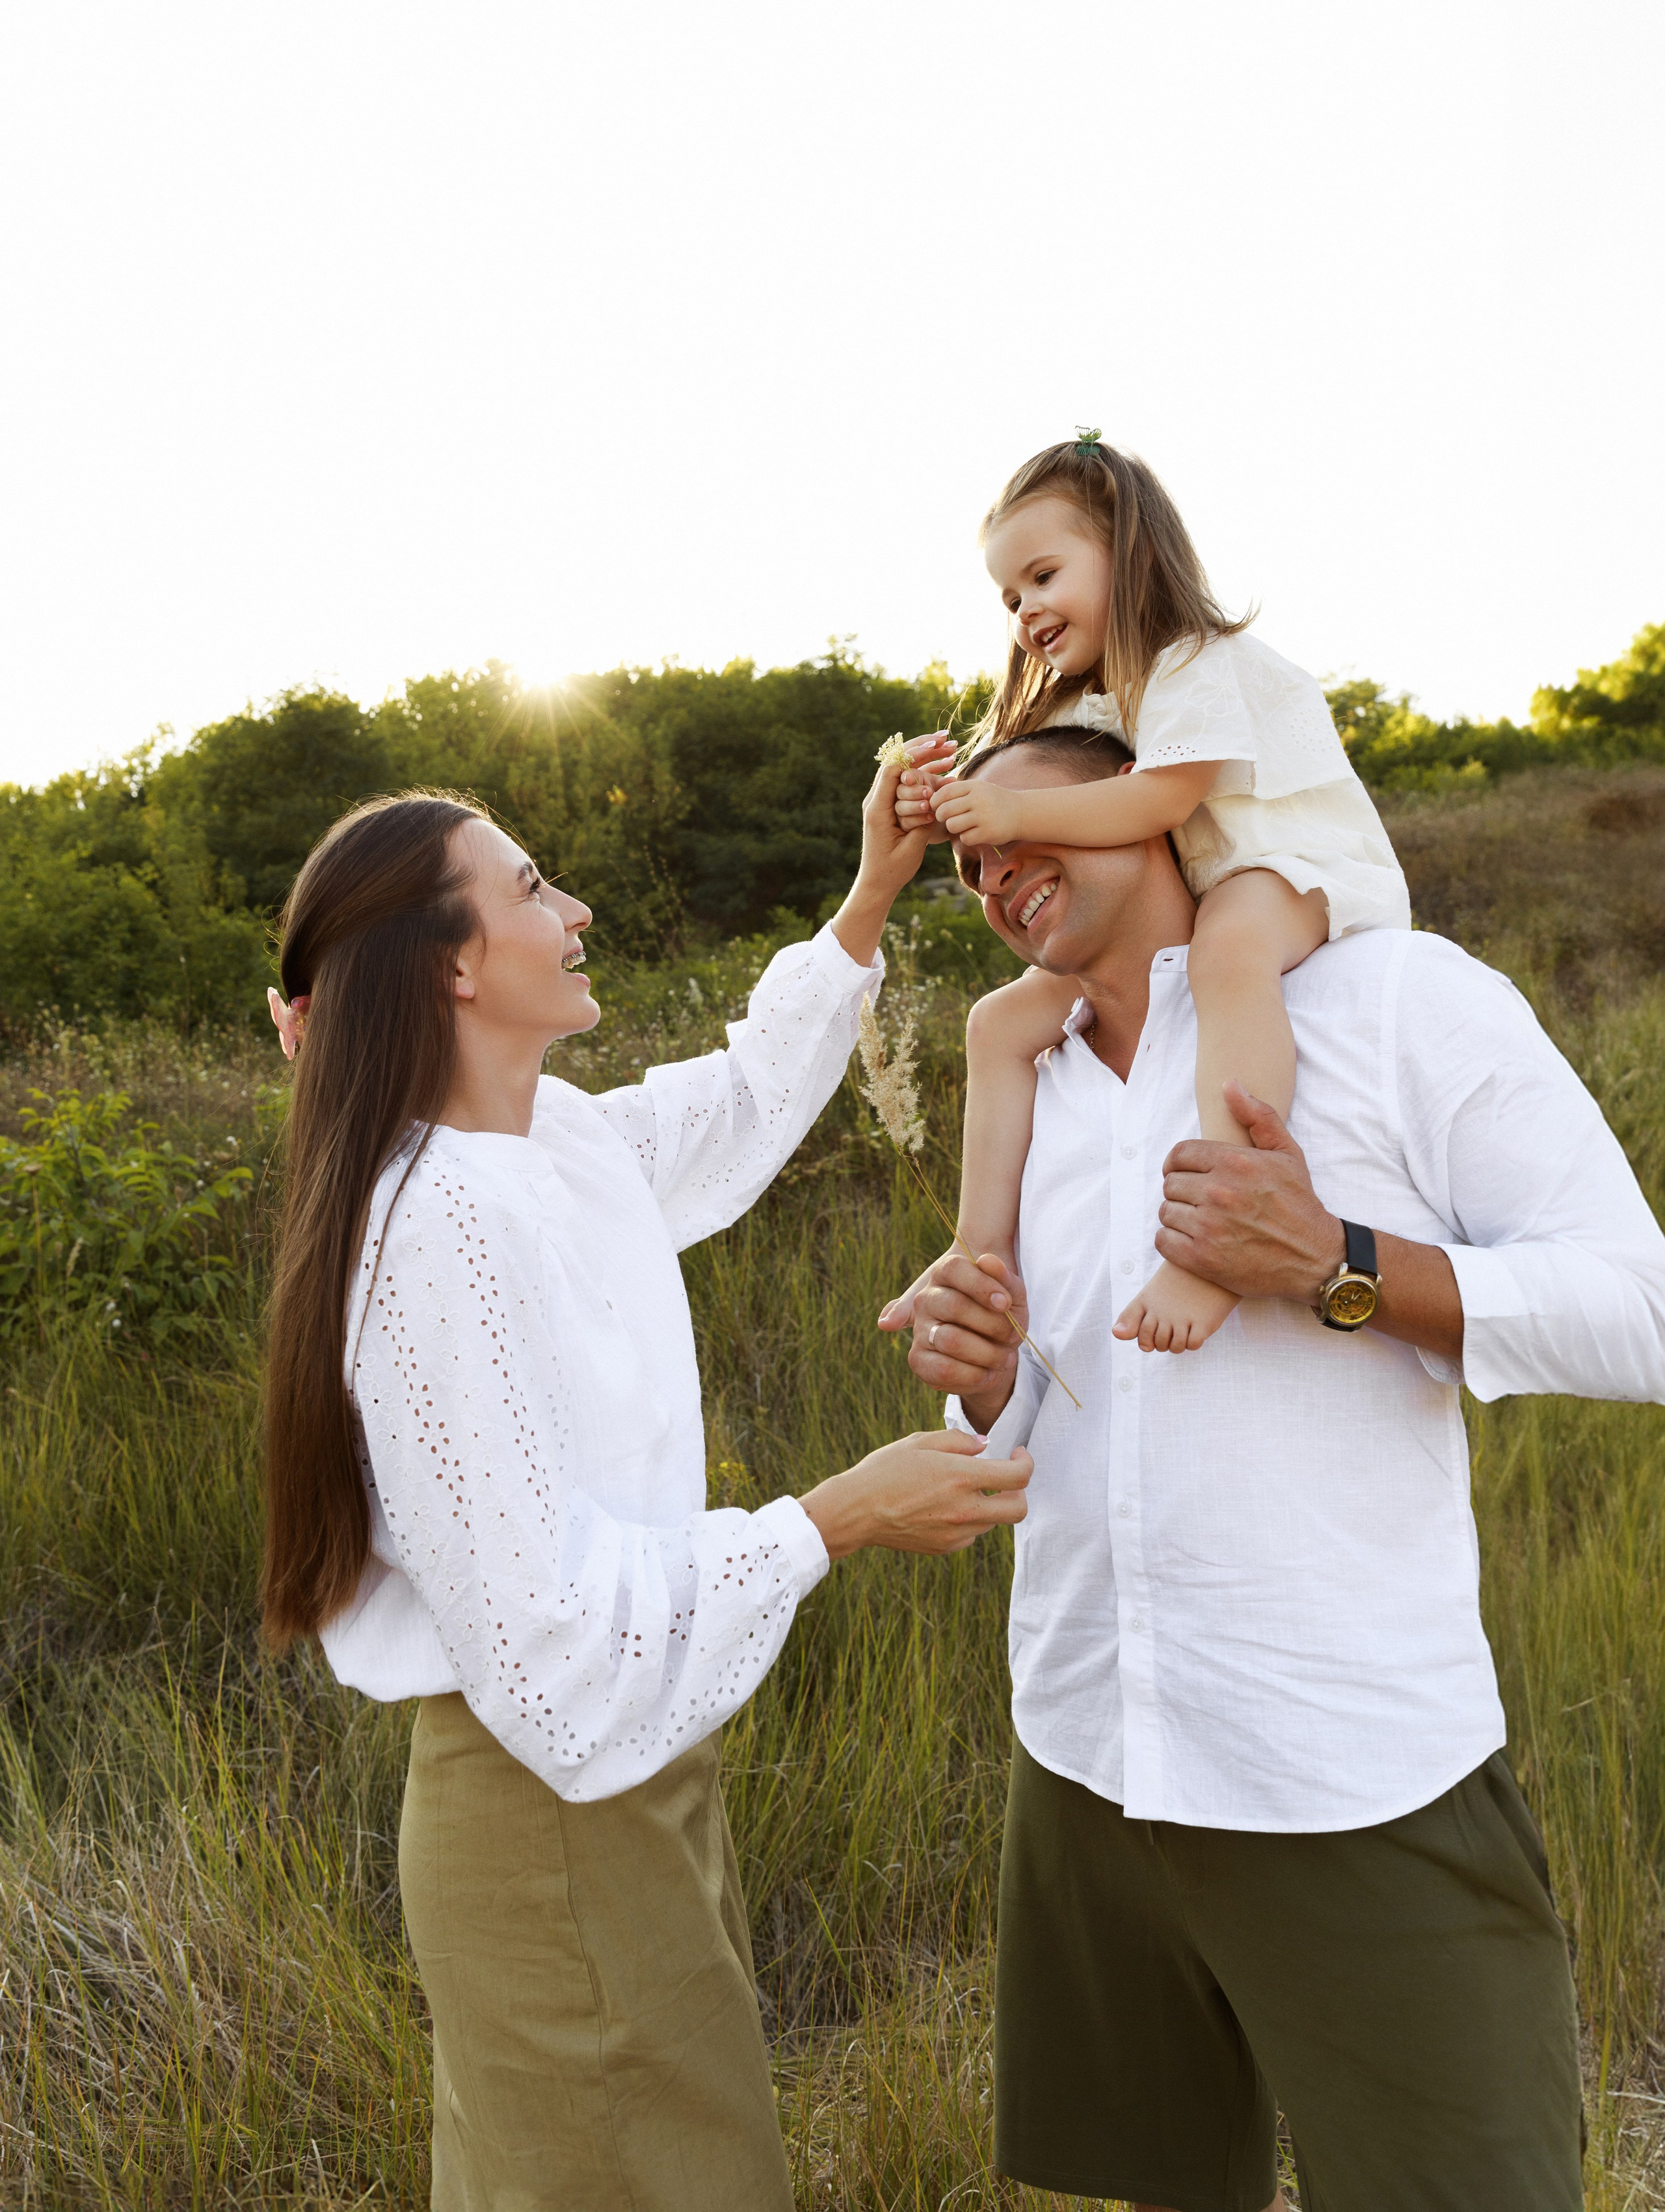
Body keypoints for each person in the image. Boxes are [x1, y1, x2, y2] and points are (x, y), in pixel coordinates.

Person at [881, 722, 1665, 2212]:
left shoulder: (1389, 1001)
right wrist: (987, 1377)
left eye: (1024, 820)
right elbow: (1060, 1411)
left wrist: (1336, 1264)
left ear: (1159, 804)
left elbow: (1641, 1309)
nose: (992, 870)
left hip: (1344, 1769)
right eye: (968, 862)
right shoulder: (1028, 1077)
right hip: (1085, 1754)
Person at [260, 776, 1032, 2212]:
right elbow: (548, 1651)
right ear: (452, 963)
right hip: (548, 1802)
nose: (576, 910)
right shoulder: (434, 1229)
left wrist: (869, 891)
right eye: (534, 887)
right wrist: (834, 1516)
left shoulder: (548, 1148)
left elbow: (739, 1103)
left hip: (626, 1779)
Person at [894, 434, 1409, 1354]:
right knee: (998, 1025)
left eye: (1045, 576)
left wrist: (1007, 803)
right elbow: (1047, 799)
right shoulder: (1089, 703)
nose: (1026, 610)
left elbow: (1163, 797)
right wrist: (937, 802)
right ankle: (978, 1258)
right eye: (1010, 597)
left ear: (1126, 552)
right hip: (1197, 898)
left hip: (1291, 862)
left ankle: (1220, 1233)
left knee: (1229, 955)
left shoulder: (1191, 661)